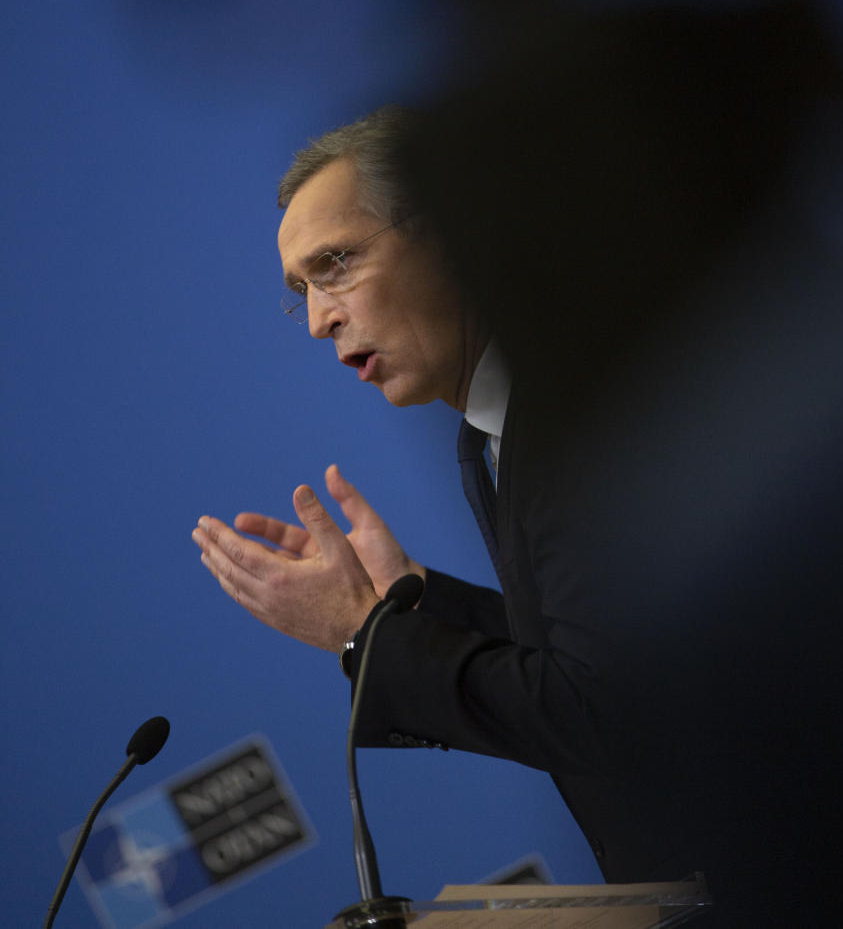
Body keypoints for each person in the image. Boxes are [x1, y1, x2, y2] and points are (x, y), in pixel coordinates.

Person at [191, 105, 653, 886]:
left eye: (335, 264)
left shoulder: (584, 407)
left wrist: (362, 632)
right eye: (299, 289)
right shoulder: (486, 437)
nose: (315, 321)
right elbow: (601, 654)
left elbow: (612, 712)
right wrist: (409, 605)